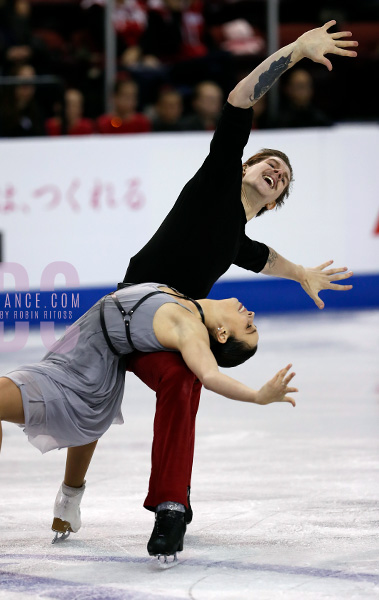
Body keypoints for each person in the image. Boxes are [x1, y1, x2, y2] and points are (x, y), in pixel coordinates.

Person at [50, 20, 357, 560]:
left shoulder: (235, 237)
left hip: (169, 331)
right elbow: (240, 99)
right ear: (245, 167)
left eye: (283, 177)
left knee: (186, 383)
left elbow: (264, 259)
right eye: (270, 164)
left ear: (274, 201)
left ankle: (171, 509)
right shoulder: (218, 176)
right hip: (126, 310)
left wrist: (303, 271)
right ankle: (72, 492)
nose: (276, 171)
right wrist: (295, 52)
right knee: (89, 402)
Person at [0, 275, 302, 569]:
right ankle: (69, 498)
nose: (251, 313)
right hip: (69, 353)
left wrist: (258, 395)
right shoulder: (181, 297)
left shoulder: (190, 329)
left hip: (85, 375)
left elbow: (208, 375)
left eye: (250, 327)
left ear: (222, 334)